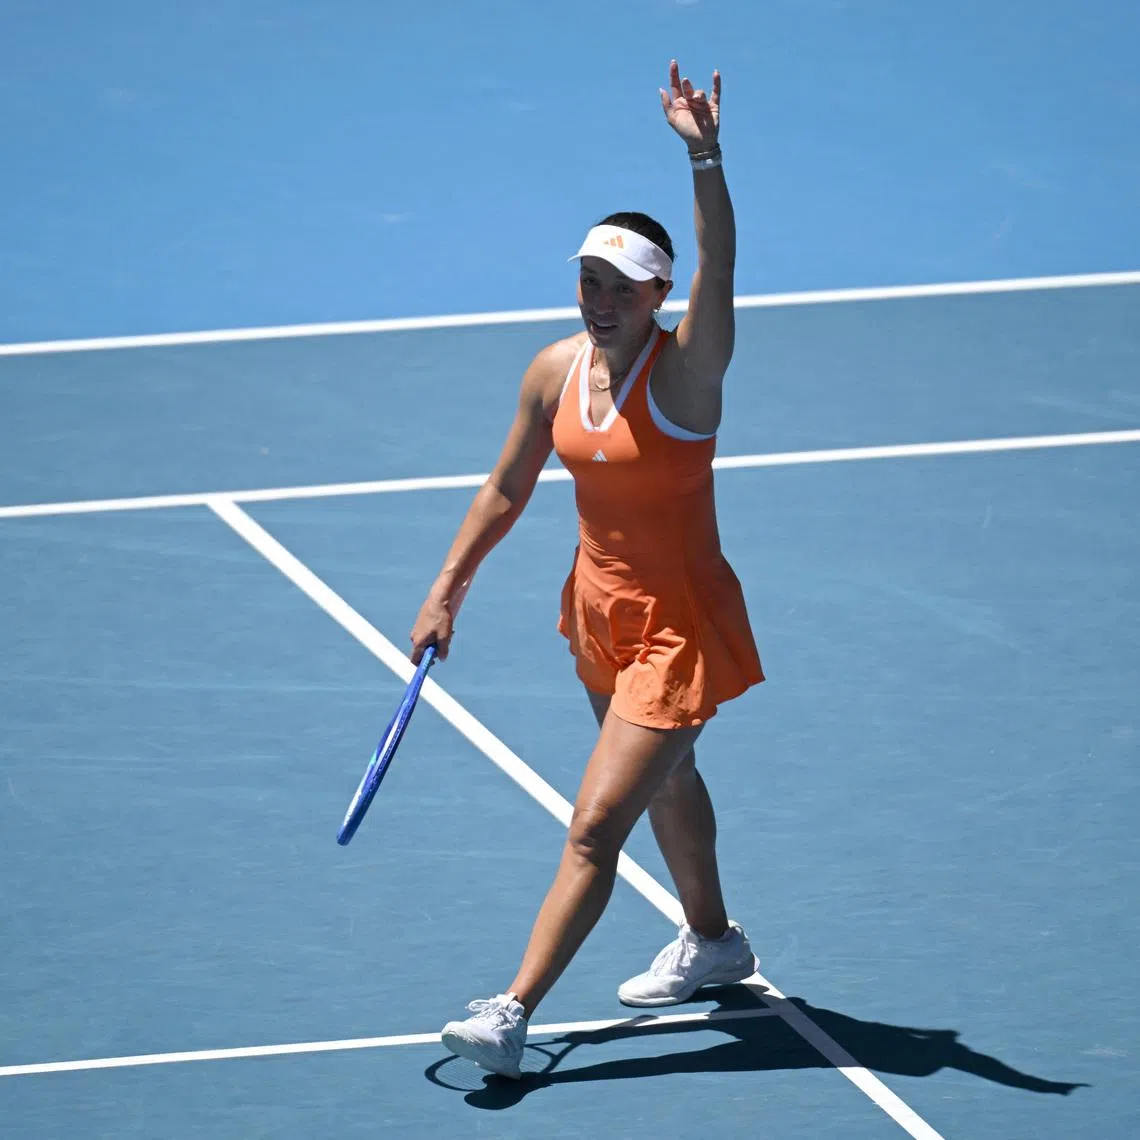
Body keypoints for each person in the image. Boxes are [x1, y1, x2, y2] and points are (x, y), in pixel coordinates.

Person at [409, 59, 764, 1080]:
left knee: (594, 825)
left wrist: (703, 151)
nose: (600, 301)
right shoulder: (555, 370)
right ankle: (716, 943)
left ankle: (510, 1013)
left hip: (681, 627)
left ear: (661, 294)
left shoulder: (688, 375)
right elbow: (507, 488)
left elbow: (723, 263)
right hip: (599, 614)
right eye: (588, 283)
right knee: (671, 779)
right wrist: (446, 590)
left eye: (622, 287)